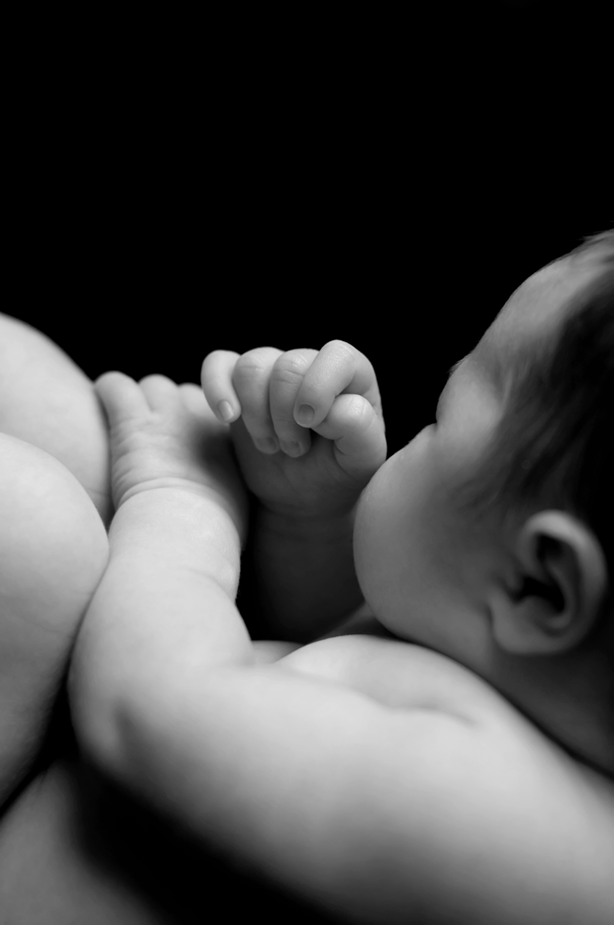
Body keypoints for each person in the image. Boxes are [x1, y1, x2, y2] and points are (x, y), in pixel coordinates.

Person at [1, 233, 613, 923]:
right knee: (39, 392)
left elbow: (149, 709)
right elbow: (315, 648)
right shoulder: (494, 662)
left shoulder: (506, 830)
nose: (416, 428)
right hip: (61, 744)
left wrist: (181, 501)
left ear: (541, 586)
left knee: (32, 528)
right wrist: (309, 512)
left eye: (440, 420)